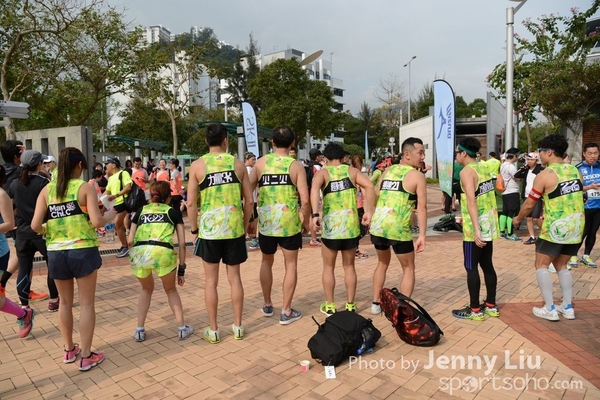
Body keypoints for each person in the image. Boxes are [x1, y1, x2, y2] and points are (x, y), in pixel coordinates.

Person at [32, 147, 117, 371]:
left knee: (65, 302)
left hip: (56, 252)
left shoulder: (47, 190)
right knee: (87, 303)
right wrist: (110, 215)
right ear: (79, 165)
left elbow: (35, 225)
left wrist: (49, 230)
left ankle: (69, 349)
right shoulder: (84, 187)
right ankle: (87, 355)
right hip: (82, 250)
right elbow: (97, 221)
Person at [187, 123, 253, 343]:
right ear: (226, 140)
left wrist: (194, 229)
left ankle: (214, 330)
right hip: (234, 230)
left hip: (209, 231)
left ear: (206, 141)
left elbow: (190, 203)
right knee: (235, 279)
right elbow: (249, 201)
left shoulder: (197, 166)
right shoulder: (238, 165)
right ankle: (238, 326)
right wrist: (244, 225)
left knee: (210, 281)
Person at [513, 134, 584, 321]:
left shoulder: (544, 175)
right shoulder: (576, 171)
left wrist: (518, 218)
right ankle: (567, 307)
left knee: (541, 265)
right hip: (576, 227)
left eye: (541, 152)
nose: (539, 156)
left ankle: (549, 308)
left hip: (555, 228)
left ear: (550, 152)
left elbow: (529, 204)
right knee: (562, 265)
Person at [249, 126, 310, 325]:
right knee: (290, 264)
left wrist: (249, 218)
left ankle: (267, 304)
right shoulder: (296, 166)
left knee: (266, 261)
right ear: (292, 143)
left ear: (273, 142)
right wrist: (305, 221)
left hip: (267, 223)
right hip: (289, 223)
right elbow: (305, 199)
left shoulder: (261, 163)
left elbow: (247, 191)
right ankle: (286, 310)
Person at [311, 143, 375, 315]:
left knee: (328, 267)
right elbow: (369, 186)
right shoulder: (352, 172)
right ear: (343, 157)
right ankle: (350, 304)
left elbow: (314, 190)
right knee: (349, 266)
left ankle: (330, 305)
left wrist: (315, 214)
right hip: (350, 227)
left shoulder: (323, 173)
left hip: (331, 229)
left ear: (325, 158)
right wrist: (369, 211)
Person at [128, 180, 192, 342]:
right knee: (170, 290)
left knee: (146, 289)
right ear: (168, 197)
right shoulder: (173, 212)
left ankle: (139, 330)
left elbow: (129, 240)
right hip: (163, 252)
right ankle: (182, 328)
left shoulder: (141, 211)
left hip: (140, 253)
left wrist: (134, 256)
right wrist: (181, 269)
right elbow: (182, 244)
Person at [369, 138, 428, 314]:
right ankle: (401, 310)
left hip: (378, 225)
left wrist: (371, 213)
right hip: (398, 228)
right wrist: (422, 235)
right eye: (420, 153)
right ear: (407, 154)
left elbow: (376, 194)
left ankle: (375, 304)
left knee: (382, 263)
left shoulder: (388, 170)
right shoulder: (417, 176)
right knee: (408, 268)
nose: (423, 157)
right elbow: (422, 208)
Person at [451, 137, 500, 321]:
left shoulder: (467, 171)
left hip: (475, 228)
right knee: (487, 265)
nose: (456, 155)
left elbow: (472, 201)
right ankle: (491, 305)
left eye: (457, 152)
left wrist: (476, 230)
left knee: (471, 267)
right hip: (488, 223)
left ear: (464, 153)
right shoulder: (484, 167)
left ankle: (474, 310)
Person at [8, 150, 59, 311]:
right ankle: (54, 300)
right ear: (39, 164)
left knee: (24, 268)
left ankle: (24, 305)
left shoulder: (15, 183)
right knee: (52, 265)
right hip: (42, 230)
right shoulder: (43, 183)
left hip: (22, 232)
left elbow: (11, 205)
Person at [0, 165, 34, 338]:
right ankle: (23, 314)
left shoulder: (1, 195)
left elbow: (9, 224)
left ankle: (23, 314)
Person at [570, 142, 600, 268]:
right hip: (584, 207)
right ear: (584, 154)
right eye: (590, 153)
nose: (593, 156)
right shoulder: (577, 168)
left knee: (593, 232)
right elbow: (573, 188)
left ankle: (586, 255)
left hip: (598, 207)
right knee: (582, 232)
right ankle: (573, 255)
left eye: (595, 153)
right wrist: (589, 187)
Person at [514, 153, 544, 245]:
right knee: (528, 218)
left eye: (532, 160)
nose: (530, 161)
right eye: (528, 160)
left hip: (536, 196)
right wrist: (524, 167)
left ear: (536, 160)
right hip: (527, 195)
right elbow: (516, 175)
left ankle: (545, 233)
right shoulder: (526, 169)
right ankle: (532, 236)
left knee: (536, 217)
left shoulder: (540, 170)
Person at [105, 157, 132, 257]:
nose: (106, 166)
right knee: (119, 226)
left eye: (107, 164)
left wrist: (116, 195)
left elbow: (128, 187)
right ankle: (125, 245)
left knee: (117, 224)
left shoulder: (123, 173)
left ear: (114, 165)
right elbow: (107, 192)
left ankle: (125, 246)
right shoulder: (111, 178)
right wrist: (96, 200)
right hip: (116, 204)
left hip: (124, 203)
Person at [499, 149, 521, 241]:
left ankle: (502, 232)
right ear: (514, 156)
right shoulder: (511, 166)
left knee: (504, 212)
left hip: (505, 191)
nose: (518, 158)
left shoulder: (503, 165)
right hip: (512, 191)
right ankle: (510, 233)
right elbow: (517, 178)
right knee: (512, 212)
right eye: (517, 156)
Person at [350, 155, 368, 259]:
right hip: (358, 206)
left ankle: (354, 249)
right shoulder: (358, 175)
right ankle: (354, 250)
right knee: (361, 229)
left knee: (357, 228)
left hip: (352, 206)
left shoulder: (350, 173)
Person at [307, 148, 324, 247]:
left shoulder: (308, 166)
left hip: (308, 192)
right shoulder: (317, 167)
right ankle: (313, 238)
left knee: (311, 215)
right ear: (317, 157)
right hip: (315, 194)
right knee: (314, 215)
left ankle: (313, 238)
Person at [244, 152, 259, 250]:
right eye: (253, 159)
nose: (255, 161)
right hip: (250, 199)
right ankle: (253, 238)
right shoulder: (248, 170)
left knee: (253, 219)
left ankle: (254, 239)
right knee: (251, 220)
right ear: (247, 160)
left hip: (252, 199)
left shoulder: (250, 169)